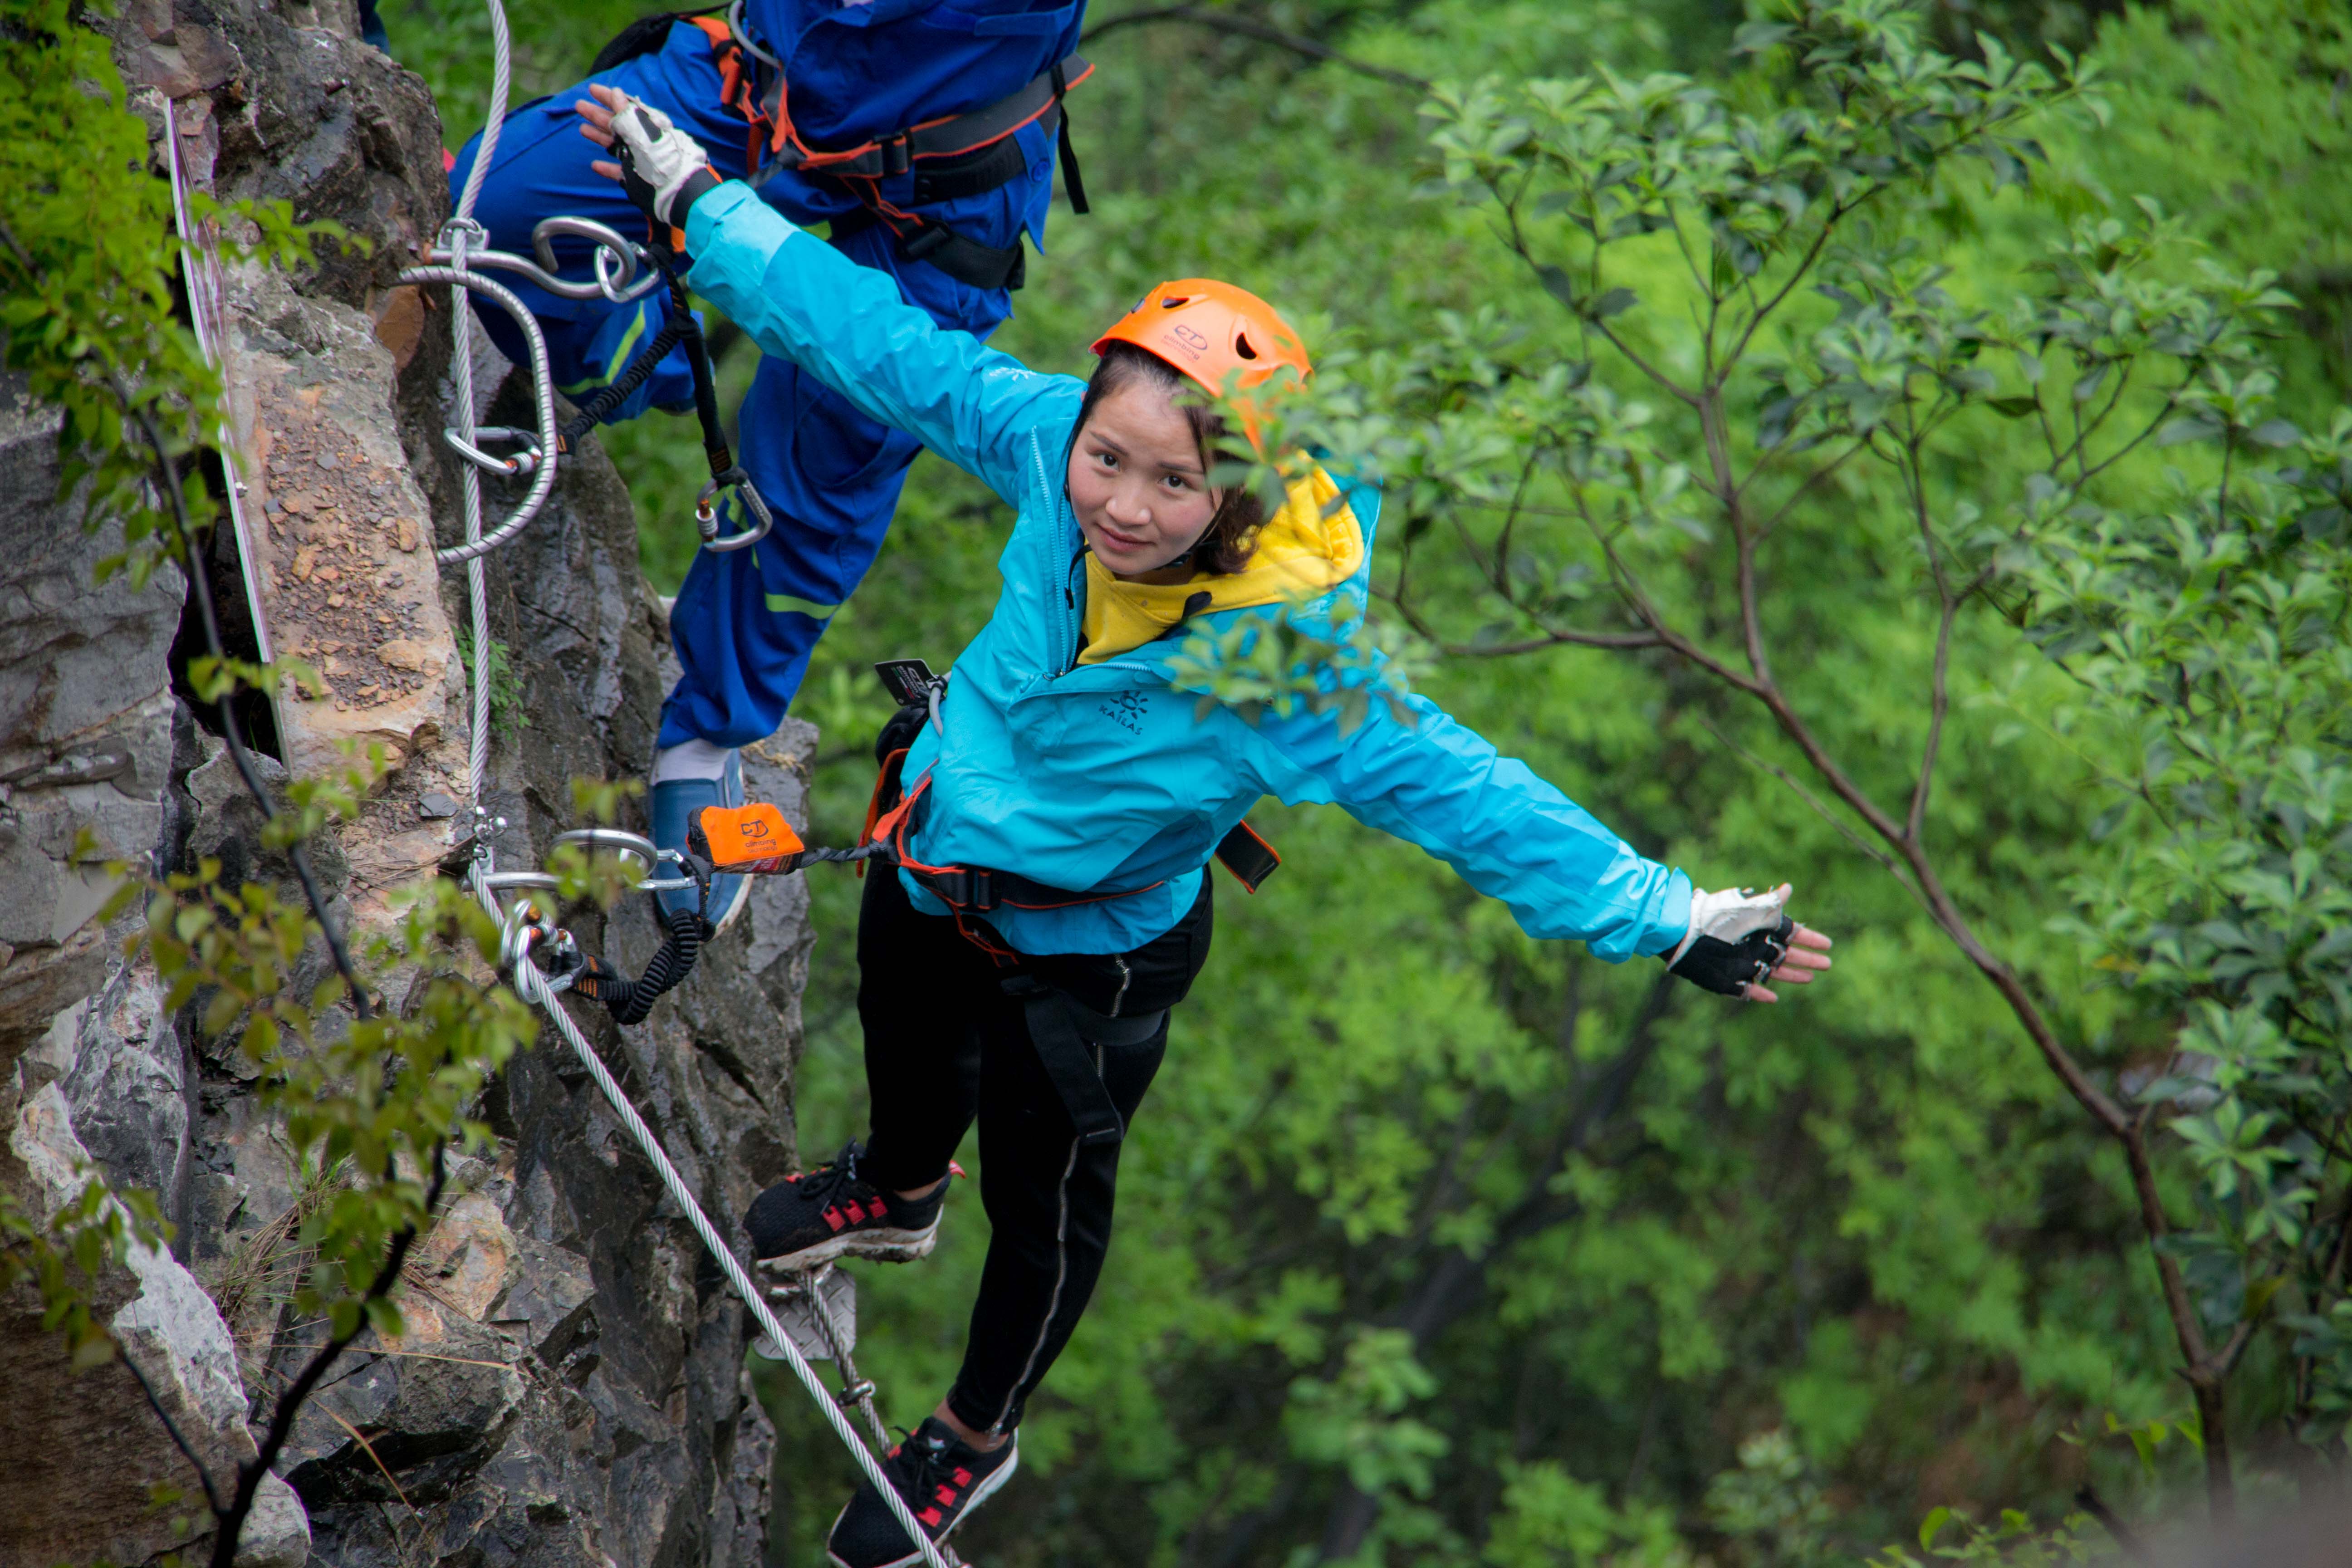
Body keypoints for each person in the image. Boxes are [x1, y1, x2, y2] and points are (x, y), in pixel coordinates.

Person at [578, 89, 1836, 1568]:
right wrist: (702, 208)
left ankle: (975, 1433)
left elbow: (1470, 796)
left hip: (1089, 959)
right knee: (910, 1047)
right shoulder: (1047, 441)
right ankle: (900, 1191)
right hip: (931, 848)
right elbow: (883, 347)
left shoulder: (1285, 668)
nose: (1122, 504)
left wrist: (1668, 916)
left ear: (1238, 493)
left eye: (1177, 481)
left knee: (1046, 1210)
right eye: (1110, 460)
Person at [446, 0, 1090, 933]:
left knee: (830, 457)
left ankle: (709, 732)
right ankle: (654, 360)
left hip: (954, 172)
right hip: (760, 82)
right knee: (495, 212)